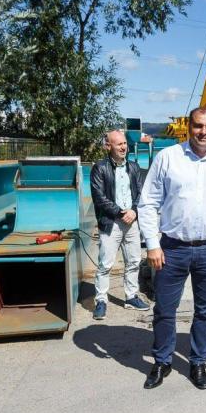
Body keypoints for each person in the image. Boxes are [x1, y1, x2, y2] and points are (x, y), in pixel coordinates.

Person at [138, 107, 206, 390]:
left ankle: (198, 361)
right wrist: (152, 244)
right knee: (164, 309)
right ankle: (162, 361)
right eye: (198, 126)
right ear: (189, 127)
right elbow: (148, 202)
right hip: (171, 248)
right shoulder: (168, 158)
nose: (203, 132)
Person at [90, 129, 148, 320]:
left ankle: (131, 297)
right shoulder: (100, 168)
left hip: (131, 221)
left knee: (133, 261)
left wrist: (134, 211)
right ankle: (101, 300)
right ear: (108, 146)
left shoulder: (134, 167)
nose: (123, 147)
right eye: (119, 144)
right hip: (111, 222)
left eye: (124, 144)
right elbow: (99, 197)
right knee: (105, 264)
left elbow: (141, 193)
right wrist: (121, 212)